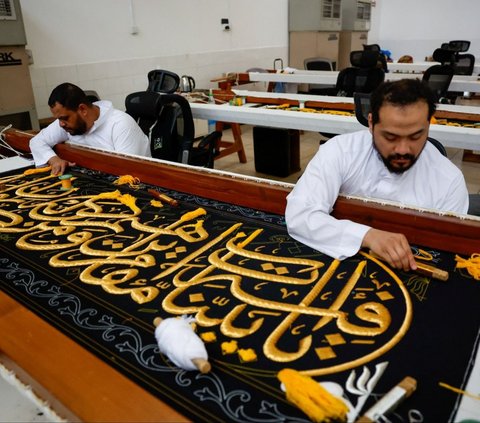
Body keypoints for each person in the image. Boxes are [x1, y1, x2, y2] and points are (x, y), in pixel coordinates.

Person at [285, 78, 469, 272]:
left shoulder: (449, 180)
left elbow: (448, 252)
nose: (403, 149)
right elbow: (300, 214)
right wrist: (368, 236)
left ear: (428, 126)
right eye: (390, 137)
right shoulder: (340, 151)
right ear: (371, 123)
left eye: (415, 136)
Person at [30, 83, 151, 175]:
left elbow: (128, 171)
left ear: (82, 109)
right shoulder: (67, 123)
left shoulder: (120, 124)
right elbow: (37, 142)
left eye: (64, 118)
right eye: (58, 119)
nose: (61, 124)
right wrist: (53, 159)